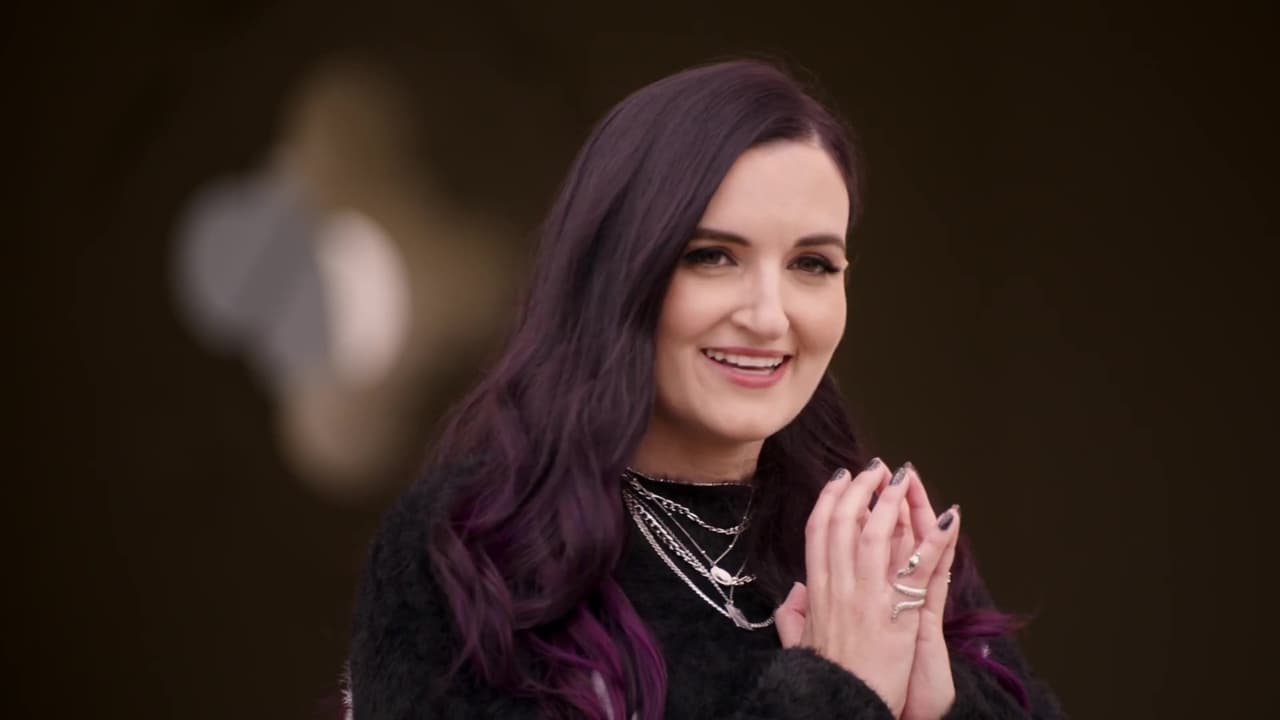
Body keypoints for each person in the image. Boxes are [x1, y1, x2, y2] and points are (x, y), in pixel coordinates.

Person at [348, 58, 1065, 719]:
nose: (768, 316)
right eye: (713, 256)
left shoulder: (878, 547)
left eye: (812, 264)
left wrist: (939, 712)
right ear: (617, 271)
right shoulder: (471, 549)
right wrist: (836, 693)